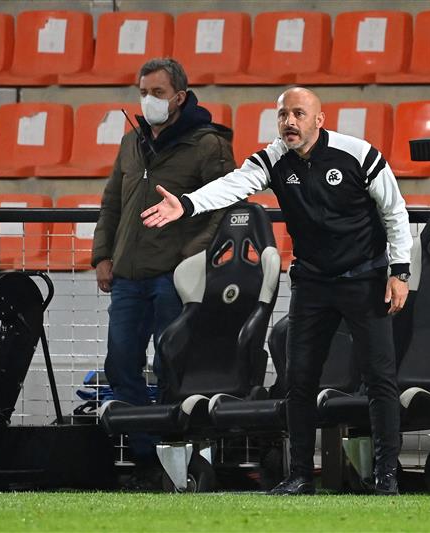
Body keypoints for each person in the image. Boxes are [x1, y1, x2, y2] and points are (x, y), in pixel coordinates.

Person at [141, 86, 413, 495]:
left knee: (380, 379)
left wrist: (400, 272)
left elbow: (394, 211)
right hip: (313, 283)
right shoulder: (273, 158)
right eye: (283, 114)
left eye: (299, 114)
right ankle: (300, 475)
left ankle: (387, 477)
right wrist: (188, 203)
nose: (289, 121)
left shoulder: (359, 154)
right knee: (298, 381)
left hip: (365, 279)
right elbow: (233, 185)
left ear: (319, 121)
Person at [91, 58, 235, 476]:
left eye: (156, 92)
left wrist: (191, 259)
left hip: (175, 277)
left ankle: (182, 454)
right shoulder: (130, 143)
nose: (148, 100)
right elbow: (111, 203)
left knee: (174, 365)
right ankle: (149, 456)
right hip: (127, 277)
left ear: (179, 97)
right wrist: (103, 255)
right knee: (121, 363)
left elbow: (223, 205)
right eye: (142, 92)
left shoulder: (208, 144)